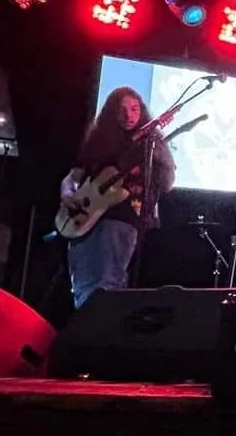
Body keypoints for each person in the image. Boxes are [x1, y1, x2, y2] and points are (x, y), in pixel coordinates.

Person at [59, 87, 176, 309]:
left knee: (107, 285)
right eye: (122, 110)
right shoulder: (99, 141)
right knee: (81, 286)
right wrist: (67, 194)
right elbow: (73, 177)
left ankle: (98, 333)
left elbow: (167, 183)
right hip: (84, 219)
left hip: (121, 217)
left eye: (134, 109)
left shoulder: (149, 144)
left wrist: (160, 148)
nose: (129, 115)